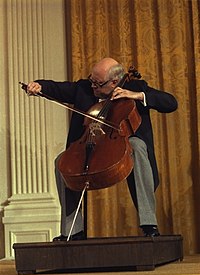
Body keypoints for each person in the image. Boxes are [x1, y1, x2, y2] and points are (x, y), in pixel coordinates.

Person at [27, 57, 178, 240]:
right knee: (61, 161)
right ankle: (72, 231)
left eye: (98, 84)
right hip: (90, 145)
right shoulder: (84, 88)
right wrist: (38, 86)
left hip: (122, 148)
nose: (93, 87)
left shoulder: (136, 87)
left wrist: (137, 96)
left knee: (138, 146)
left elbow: (170, 103)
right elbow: (57, 88)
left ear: (115, 82)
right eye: (92, 81)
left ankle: (149, 224)